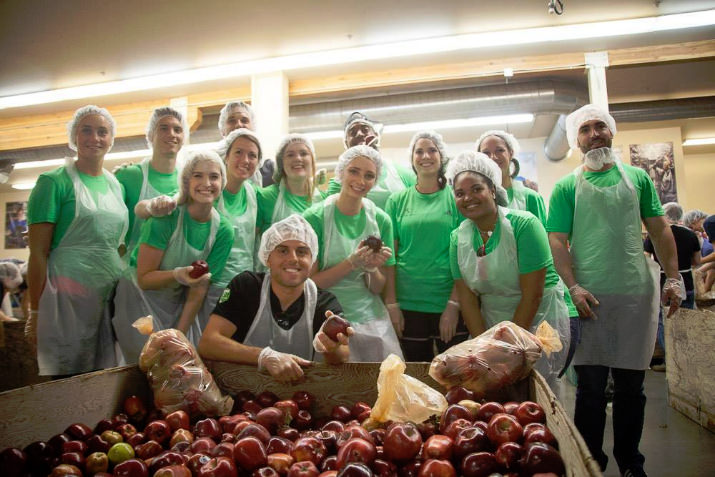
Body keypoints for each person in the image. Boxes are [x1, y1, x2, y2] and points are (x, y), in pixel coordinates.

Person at [547, 104, 682, 477]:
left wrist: (673, 277)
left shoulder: (638, 178)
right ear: (577, 140)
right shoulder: (565, 186)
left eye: (600, 127)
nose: (594, 134)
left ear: (612, 133)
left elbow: (660, 230)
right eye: (586, 129)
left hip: (635, 297)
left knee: (631, 387)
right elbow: (557, 240)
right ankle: (590, 461)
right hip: (589, 299)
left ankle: (630, 462)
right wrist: (573, 287)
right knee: (590, 388)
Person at [446, 151, 570, 389]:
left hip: (538, 322)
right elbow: (468, 299)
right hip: (493, 325)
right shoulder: (457, 239)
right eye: (459, 193)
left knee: (537, 392)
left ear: (493, 189)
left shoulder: (524, 225)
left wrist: (507, 350)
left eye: (476, 189)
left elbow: (532, 295)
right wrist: (485, 348)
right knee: (497, 394)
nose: (468, 197)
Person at [26, 105, 129, 377]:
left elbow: (118, 245)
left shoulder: (115, 185)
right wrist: (35, 311)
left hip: (107, 294)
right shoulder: (53, 182)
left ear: (111, 139)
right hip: (66, 296)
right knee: (68, 376)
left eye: (102, 132)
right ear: (74, 136)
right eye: (86, 130)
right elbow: (37, 253)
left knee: (104, 377)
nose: (94, 138)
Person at [112, 150, 234, 364]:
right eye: (198, 176)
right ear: (186, 181)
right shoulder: (166, 219)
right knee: (146, 365)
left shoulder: (223, 230)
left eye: (214, 176)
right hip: (138, 298)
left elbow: (199, 288)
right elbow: (144, 278)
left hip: (177, 299)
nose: (207, 183)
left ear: (223, 182)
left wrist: (179, 336)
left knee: (178, 364)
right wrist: (179, 275)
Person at [198, 214, 351, 382]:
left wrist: (331, 347)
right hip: (241, 390)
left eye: (302, 252)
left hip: (298, 397)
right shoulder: (246, 287)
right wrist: (264, 356)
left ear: (312, 259)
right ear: (268, 258)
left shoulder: (324, 303)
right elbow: (208, 343)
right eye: (283, 250)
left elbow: (342, 357)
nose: (293, 258)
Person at [304, 145, 403, 361]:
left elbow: (377, 287)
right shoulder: (316, 218)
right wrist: (351, 262)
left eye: (369, 175)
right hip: (327, 320)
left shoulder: (381, 220)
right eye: (354, 171)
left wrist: (370, 268)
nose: (361, 180)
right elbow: (311, 284)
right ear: (341, 172)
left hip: (371, 318)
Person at [384, 131, 468, 361]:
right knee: (416, 375)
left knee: (454, 375)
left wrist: (454, 303)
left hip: (446, 301)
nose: (425, 156)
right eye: (418, 151)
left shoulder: (456, 198)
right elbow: (389, 257)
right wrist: (391, 304)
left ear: (442, 156)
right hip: (408, 304)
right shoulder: (397, 201)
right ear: (412, 159)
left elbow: (465, 256)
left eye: (432, 150)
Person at [197, 128, 263, 329]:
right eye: (239, 152)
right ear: (226, 156)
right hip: (212, 284)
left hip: (243, 286)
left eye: (252, 155)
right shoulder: (210, 190)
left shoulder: (253, 194)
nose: (245, 160)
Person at [115, 107, 184, 257]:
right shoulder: (129, 175)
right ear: (151, 135)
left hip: (174, 269)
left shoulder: (188, 180)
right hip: (132, 270)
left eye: (177, 129)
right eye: (163, 128)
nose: (171, 134)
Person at [643, 202, 700, 372]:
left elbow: (646, 260)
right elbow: (697, 262)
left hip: (664, 282)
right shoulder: (691, 235)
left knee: (665, 322)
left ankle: (672, 361)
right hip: (686, 281)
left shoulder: (655, 234)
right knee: (686, 319)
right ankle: (687, 359)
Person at [326, 112, 416, 209]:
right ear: (346, 144)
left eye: (365, 130)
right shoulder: (338, 182)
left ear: (376, 136)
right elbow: (336, 214)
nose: (359, 134)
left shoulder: (400, 173)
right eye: (352, 133)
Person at [476, 130, 547, 225]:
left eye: (500, 150)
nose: (493, 157)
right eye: (486, 153)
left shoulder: (530, 198)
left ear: (511, 153)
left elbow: (542, 237)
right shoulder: (474, 201)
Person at [257, 134, 325, 232]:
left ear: (312, 160)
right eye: (290, 155)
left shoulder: (323, 201)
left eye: (303, 153)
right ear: (281, 163)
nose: (297, 158)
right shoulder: (265, 197)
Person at [217, 100, 275, 187]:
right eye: (232, 121)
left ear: (253, 127)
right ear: (222, 130)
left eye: (244, 120)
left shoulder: (270, 170)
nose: (239, 125)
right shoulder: (213, 167)